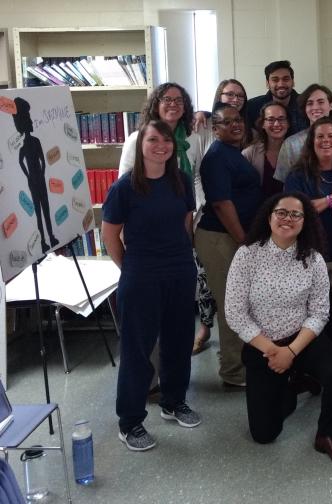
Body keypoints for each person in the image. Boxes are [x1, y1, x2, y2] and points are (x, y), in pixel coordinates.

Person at [225, 192, 332, 467]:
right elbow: (235, 314)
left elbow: (320, 313)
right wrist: (275, 351)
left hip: (302, 339)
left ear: (305, 221)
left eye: (296, 214)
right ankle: (289, 388)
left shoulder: (314, 259)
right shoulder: (247, 255)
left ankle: (329, 435)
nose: (288, 219)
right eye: (281, 212)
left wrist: (292, 351)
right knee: (264, 434)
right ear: (269, 216)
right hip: (263, 345)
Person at [102, 120, 200, 451]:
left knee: (179, 340)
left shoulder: (181, 181)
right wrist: (131, 267)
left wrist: (178, 260)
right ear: (140, 145)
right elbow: (110, 235)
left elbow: (186, 223)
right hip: (141, 275)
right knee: (138, 350)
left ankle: (173, 402)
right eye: (152, 139)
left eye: (166, 140)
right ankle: (129, 422)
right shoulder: (125, 188)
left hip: (180, 271)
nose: (161, 145)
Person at [117, 83, 215, 357]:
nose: (173, 104)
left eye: (179, 100)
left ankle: (173, 382)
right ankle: (150, 380)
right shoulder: (137, 140)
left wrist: (195, 210)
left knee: (177, 309)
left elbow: (194, 175)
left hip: (183, 225)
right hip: (144, 235)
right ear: (155, 104)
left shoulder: (193, 138)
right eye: (166, 99)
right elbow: (124, 183)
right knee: (147, 314)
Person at [195, 103, 264, 387]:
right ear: (215, 128)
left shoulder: (232, 153)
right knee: (230, 305)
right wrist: (243, 241)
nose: (235, 125)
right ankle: (233, 372)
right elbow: (222, 204)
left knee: (238, 303)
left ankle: (239, 364)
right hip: (220, 239)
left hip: (231, 237)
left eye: (238, 120)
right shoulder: (216, 157)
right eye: (227, 122)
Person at [285, 117, 332, 352]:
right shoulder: (298, 175)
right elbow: (296, 211)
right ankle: (311, 368)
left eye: (331, 136)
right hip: (308, 258)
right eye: (320, 136)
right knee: (310, 317)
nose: (326, 141)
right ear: (311, 142)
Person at [273, 84, 332, 182]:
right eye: (309, 103)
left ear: (331, 105)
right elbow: (282, 182)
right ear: (305, 108)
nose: (315, 107)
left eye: (321, 102)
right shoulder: (291, 144)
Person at [12, 97, 59, 253]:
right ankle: (44, 241)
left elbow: (42, 160)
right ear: (24, 122)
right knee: (39, 212)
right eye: (28, 119)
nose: (31, 121)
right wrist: (29, 175)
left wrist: (40, 173)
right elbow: (21, 162)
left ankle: (51, 238)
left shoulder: (35, 142)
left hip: (38, 178)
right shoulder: (24, 147)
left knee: (45, 209)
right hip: (35, 179)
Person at [244, 60, 307, 136]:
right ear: (267, 84)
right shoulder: (252, 106)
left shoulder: (306, 104)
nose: (281, 84)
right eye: (275, 80)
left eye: (286, 79)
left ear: (293, 82)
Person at [242, 102, 290, 199]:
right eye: (271, 119)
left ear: (288, 123)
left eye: (281, 119)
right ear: (263, 124)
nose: (276, 124)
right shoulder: (249, 153)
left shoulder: (297, 152)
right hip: (256, 211)